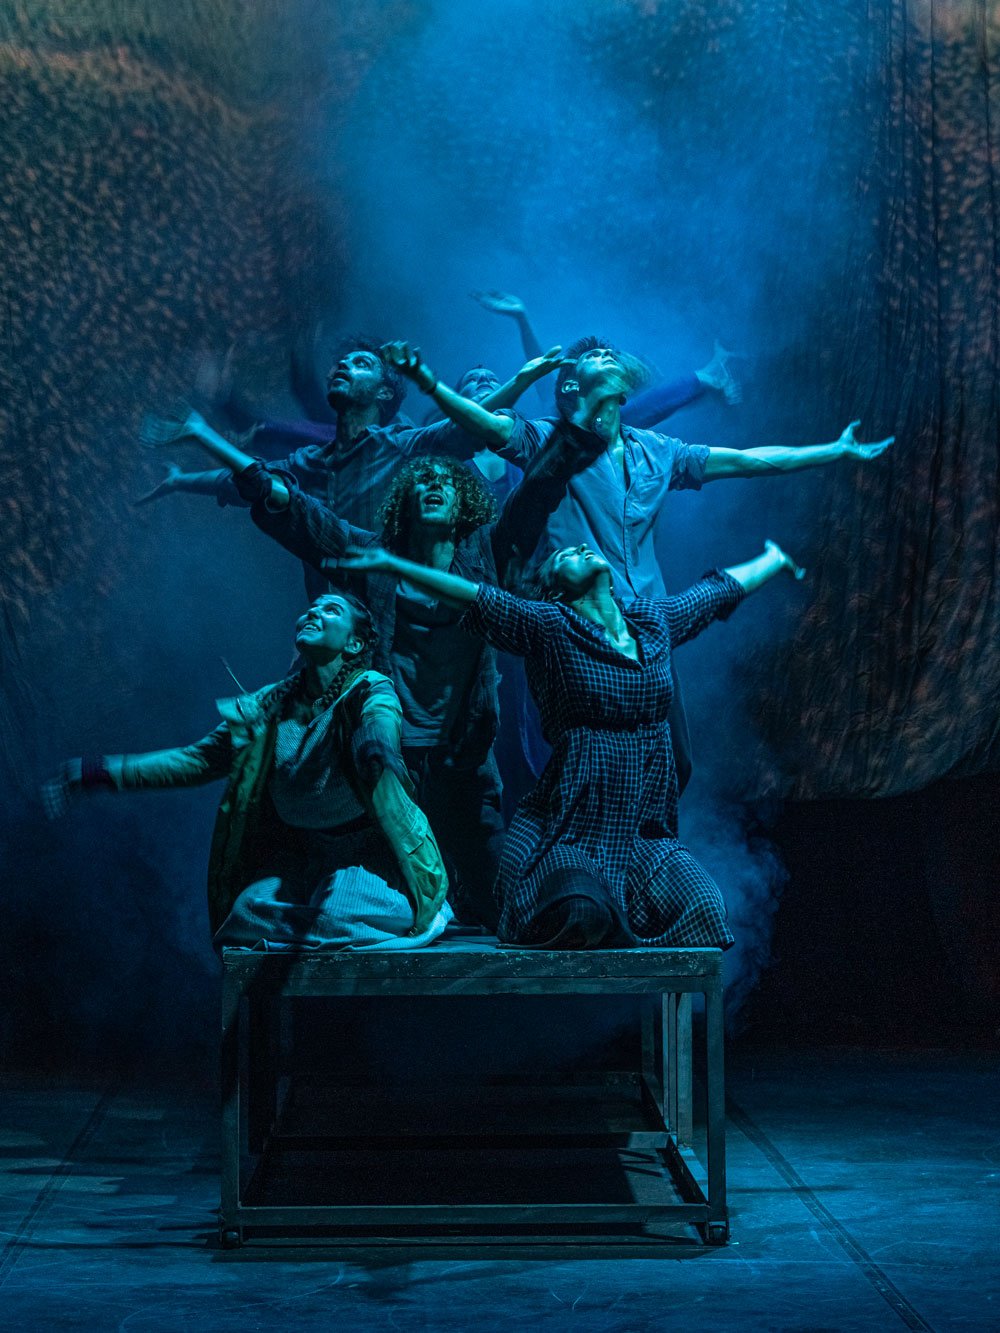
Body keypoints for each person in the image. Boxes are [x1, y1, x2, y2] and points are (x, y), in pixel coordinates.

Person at [137, 391, 578, 929]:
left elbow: (536, 492)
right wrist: (206, 435)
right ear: (403, 501)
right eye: (421, 480)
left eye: (444, 481)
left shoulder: (487, 555)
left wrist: (577, 430)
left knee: (502, 908)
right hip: (385, 763)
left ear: (464, 503)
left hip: (462, 763)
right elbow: (295, 509)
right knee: (385, 908)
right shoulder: (371, 557)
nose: (433, 484)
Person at [378, 337, 894, 791]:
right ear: (571, 388)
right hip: (575, 627)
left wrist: (835, 450)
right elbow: (488, 426)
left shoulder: (658, 451)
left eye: (610, 353)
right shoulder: (545, 440)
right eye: (593, 357)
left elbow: (747, 461)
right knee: (578, 761)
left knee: (675, 763)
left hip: (647, 625)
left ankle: (646, 857)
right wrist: (429, 382)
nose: (605, 354)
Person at [338, 538, 805, 949]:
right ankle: (581, 918)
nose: (581, 549)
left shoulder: (652, 621)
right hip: (570, 829)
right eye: (564, 557)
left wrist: (773, 559)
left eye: (582, 549)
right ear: (555, 590)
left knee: (704, 908)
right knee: (582, 911)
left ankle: (637, 953)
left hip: (643, 833)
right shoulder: (550, 624)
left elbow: (715, 593)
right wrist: (395, 565)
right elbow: (476, 597)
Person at [42, 592, 451, 951]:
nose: (312, 613)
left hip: (362, 852)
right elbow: (197, 760)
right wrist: (100, 771)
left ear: (354, 642)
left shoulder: (367, 688)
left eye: (330, 610)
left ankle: (385, 911)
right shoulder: (267, 706)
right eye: (310, 609)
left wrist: (377, 745)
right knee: (243, 914)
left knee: (335, 914)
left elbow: (381, 718)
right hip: (301, 855)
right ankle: (324, 926)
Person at [137, 340, 566, 600]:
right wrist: (180, 477)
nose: (343, 366)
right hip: (331, 618)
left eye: (361, 364)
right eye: (342, 363)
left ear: (384, 393)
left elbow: (463, 428)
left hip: (394, 620)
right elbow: (239, 481)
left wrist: (521, 381)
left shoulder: (398, 444)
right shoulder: (310, 461)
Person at [471, 288, 743, 420]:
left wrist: (707, 379)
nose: (604, 357)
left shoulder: (614, 423)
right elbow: (542, 369)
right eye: (596, 357)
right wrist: (521, 318)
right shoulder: (559, 414)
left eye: (611, 360)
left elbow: (658, 403)